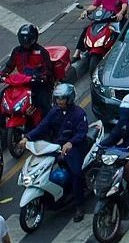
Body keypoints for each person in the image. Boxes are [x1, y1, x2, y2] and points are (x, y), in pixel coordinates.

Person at [21, 82, 88, 219]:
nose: (59, 101)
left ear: (69, 99)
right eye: (57, 98)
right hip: (57, 146)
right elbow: (42, 127)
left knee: (76, 173)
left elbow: (81, 133)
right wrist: (27, 138)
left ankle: (79, 206)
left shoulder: (79, 113)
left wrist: (71, 142)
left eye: (62, 98)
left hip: (75, 147)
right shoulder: (54, 112)